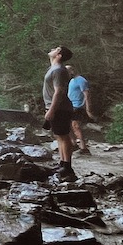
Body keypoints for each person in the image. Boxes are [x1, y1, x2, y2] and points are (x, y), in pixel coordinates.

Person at [43, 45, 75, 179]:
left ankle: (67, 166)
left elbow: (59, 91)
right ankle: (62, 163)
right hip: (56, 107)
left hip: (60, 108)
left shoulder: (58, 70)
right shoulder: (54, 69)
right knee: (59, 136)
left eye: (56, 49)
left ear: (59, 55)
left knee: (64, 136)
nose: (52, 49)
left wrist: (52, 110)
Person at [67, 65, 96, 154]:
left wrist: (88, 109)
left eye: (67, 71)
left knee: (76, 126)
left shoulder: (81, 80)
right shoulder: (72, 81)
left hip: (78, 106)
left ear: (72, 71)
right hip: (70, 106)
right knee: (68, 126)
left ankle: (83, 147)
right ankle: (74, 144)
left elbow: (87, 95)